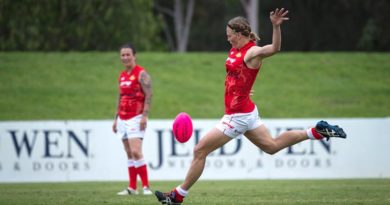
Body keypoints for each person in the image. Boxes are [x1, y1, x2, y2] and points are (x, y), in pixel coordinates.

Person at [154, 8, 346, 204]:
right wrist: (243, 90)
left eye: (230, 36)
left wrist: (275, 26)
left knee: (199, 151)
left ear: (238, 34)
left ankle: (177, 196)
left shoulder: (251, 52)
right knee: (271, 146)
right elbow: (238, 77)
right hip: (246, 110)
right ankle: (316, 131)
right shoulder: (235, 50)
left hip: (237, 116)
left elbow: (273, 49)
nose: (227, 39)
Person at [113, 43, 153, 195]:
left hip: (136, 117)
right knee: (129, 153)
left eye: (128, 54)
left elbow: (149, 94)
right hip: (122, 118)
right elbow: (120, 96)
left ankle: (146, 186)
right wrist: (116, 119)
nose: (125, 57)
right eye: (122, 55)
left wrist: (144, 116)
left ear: (134, 56)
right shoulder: (122, 76)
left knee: (136, 152)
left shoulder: (141, 74)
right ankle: (132, 188)